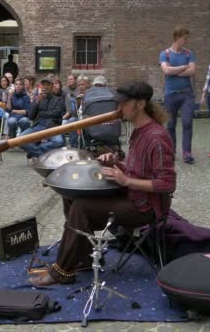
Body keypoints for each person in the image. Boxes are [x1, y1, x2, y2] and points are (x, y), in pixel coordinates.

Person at [29, 81, 176, 287]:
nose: (118, 109)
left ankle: (63, 271)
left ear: (140, 104)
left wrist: (126, 180)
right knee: (73, 197)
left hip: (145, 207)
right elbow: (140, 169)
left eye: (124, 104)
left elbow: (167, 184)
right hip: (131, 196)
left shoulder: (157, 137)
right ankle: (83, 259)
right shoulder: (138, 132)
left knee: (82, 207)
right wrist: (117, 163)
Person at [160, 26, 197, 164]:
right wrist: (183, 68)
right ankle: (171, 151)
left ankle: (187, 152)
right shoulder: (165, 54)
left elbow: (193, 70)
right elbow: (166, 70)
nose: (186, 41)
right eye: (184, 38)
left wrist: (175, 71)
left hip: (187, 94)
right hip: (170, 94)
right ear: (177, 38)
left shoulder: (189, 53)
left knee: (187, 122)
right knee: (170, 124)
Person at [19, 78, 65, 159]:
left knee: (59, 142)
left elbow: (56, 113)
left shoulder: (59, 99)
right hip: (38, 126)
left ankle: (35, 151)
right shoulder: (37, 99)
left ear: (52, 86)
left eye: (48, 85)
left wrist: (41, 114)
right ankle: (42, 155)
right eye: (43, 84)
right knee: (19, 140)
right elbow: (31, 116)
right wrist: (36, 102)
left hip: (53, 127)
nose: (45, 87)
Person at [62, 74, 81, 148]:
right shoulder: (65, 91)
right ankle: (63, 145)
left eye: (71, 79)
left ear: (75, 81)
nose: (69, 81)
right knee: (63, 123)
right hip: (67, 114)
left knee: (72, 121)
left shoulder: (79, 90)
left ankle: (73, 145)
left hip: (77, 115)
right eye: (68, 79)